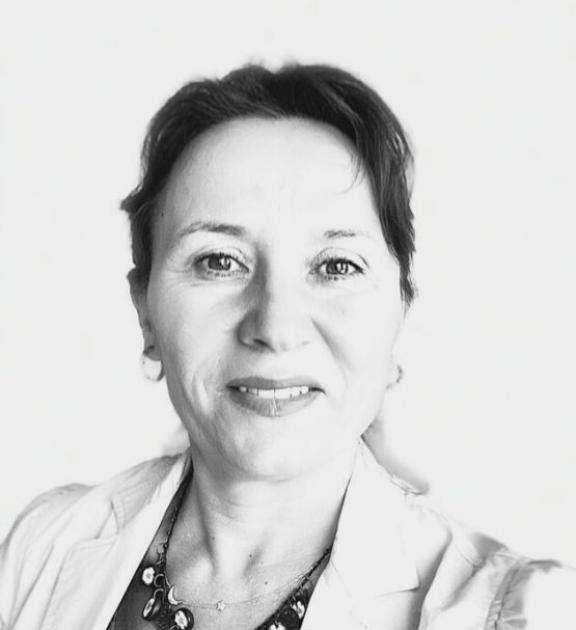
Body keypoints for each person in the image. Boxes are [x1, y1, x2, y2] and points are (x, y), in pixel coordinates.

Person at [0, 63, 573, 630]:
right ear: (145, 312)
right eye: (218, 261)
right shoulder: (42, 547)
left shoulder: (512, 612)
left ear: (400, 313)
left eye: (336, 266)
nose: (275, 326)